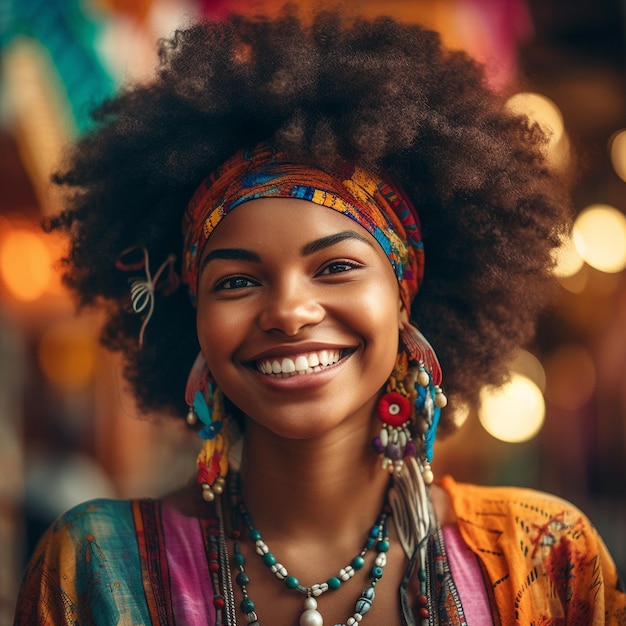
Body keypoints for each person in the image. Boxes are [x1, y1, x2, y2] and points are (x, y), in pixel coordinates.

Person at [14, 6, 626, 625]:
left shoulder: (543, 561)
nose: (288, 312)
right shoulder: (98, 568)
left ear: (405, 294)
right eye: (237, 281)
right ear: (192, 313)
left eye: (336, 267)